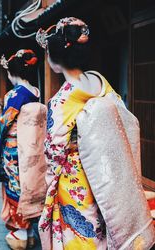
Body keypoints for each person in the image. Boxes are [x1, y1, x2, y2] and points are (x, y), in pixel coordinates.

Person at [36, 17, 155, 250]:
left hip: (76, 177)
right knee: (104, 227)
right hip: (107, 173)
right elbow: (124, 121)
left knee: (81, 233)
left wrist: (47, 186)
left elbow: (53, 151)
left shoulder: (63, 99)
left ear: (56, 56)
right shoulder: (99, 81)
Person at [0, 49, 44, 250]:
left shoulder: (15, 93)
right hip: (32, 146)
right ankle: (28, 232)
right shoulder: (36, 92)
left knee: (14, 188)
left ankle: (19, 233)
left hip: (14, 148)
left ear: (12, 73)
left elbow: (5, 122)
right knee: (27, 185)